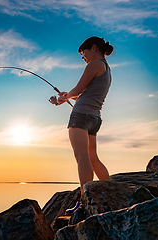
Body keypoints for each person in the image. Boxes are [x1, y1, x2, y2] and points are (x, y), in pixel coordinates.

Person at [57, 36, 114, 215]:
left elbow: (79, 89)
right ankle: (111, 195)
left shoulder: (94, 65)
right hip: (94, 118)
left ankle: (84, 202)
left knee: (82, 158)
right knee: (93, 157)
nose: (83, 58)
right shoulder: (106, 68)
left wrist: (65, 97)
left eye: (84, 53)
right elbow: (85, 92)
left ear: (94, 48)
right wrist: (68, 96)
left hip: (80, 117)